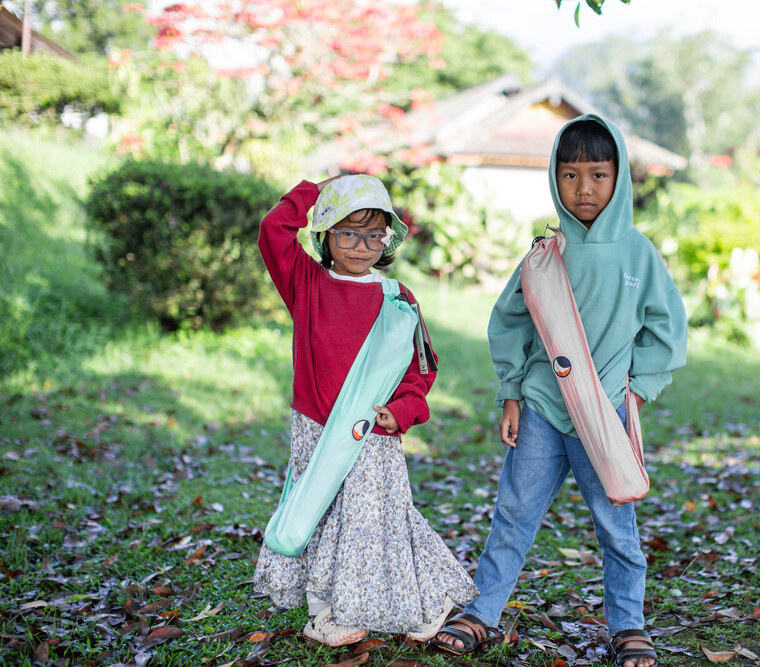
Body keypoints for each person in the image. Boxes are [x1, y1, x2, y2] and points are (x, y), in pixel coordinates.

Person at [431, 115, 687, 667]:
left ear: (619, 176)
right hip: (543, 409)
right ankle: (481, 611)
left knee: (617, 525)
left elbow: (667, 328)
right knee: (513, 514)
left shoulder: (638, 253)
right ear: (554, 177)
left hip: (604, 415)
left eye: (598, 174)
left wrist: (638, 389)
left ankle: (629, 625)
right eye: (570, 175)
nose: (584, 188)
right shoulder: (546, 255)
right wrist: (512, 392)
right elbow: (511, 322)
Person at [253, 174, 478, 647]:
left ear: (388, 239)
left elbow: (421, 367)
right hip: (317, 428)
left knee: (381, 518)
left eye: (375, 234)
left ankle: (422, 600)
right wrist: (317, 189)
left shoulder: (398, 299)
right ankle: (323, 613)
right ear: (325, 235)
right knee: (320, 511)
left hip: (373, 433)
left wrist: (404, 410)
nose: (362, 246)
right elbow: (273, 229)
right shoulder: (306, 283)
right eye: (349, 233)